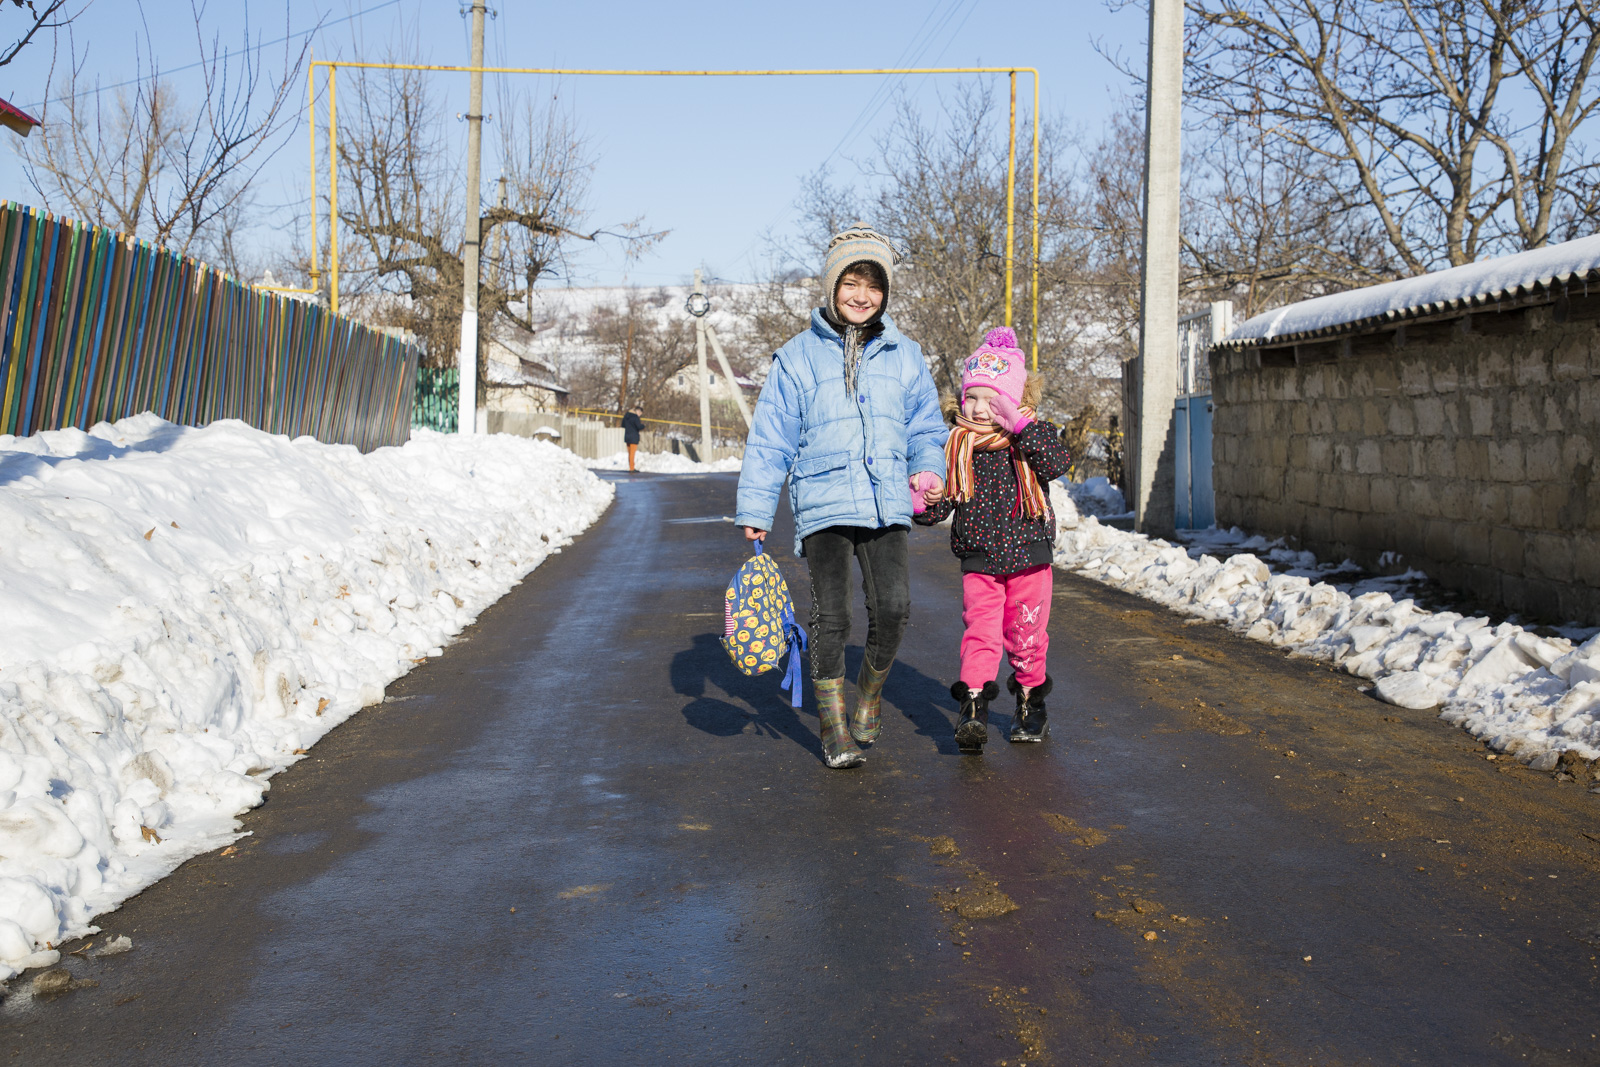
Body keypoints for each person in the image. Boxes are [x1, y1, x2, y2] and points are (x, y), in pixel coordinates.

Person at [736, 222, 948, 769]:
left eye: (874, 285)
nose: (862, 296)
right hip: (823, 501)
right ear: (832, 286)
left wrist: (928, 468)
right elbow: (770, 439)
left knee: (894, 609)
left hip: (885, 501)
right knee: (832, 617)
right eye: (851, 283)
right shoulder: (796, 357)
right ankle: (833, 726)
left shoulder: (906, 354)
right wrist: (757, 508)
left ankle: (869, 695)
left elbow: (926, 426)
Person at [914, 327, 1072, 753]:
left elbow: (1057, 463)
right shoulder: (957, 446)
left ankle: (1030, 703)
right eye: (973, 398)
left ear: (1015, 400)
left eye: (992, 399)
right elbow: (940, 508)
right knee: (980, 635)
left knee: (1026, 635)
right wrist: (923, 500)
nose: (981, 409)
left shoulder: (1030, 436)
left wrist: (1019, 424)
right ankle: (973, 709)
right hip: (979, 558)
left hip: (1029, 555)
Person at [622, 405, 644, 472]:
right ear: (638, 411)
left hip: (627, 436)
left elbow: (623, 425)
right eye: (640, 413)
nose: (640, 415)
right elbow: (638, 426)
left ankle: (631, 466)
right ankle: (632, 468)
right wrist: (643, 426)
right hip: (633, 437)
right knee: (632, 453)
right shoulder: (635, 417)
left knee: (630, 453)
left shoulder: (626, 416)